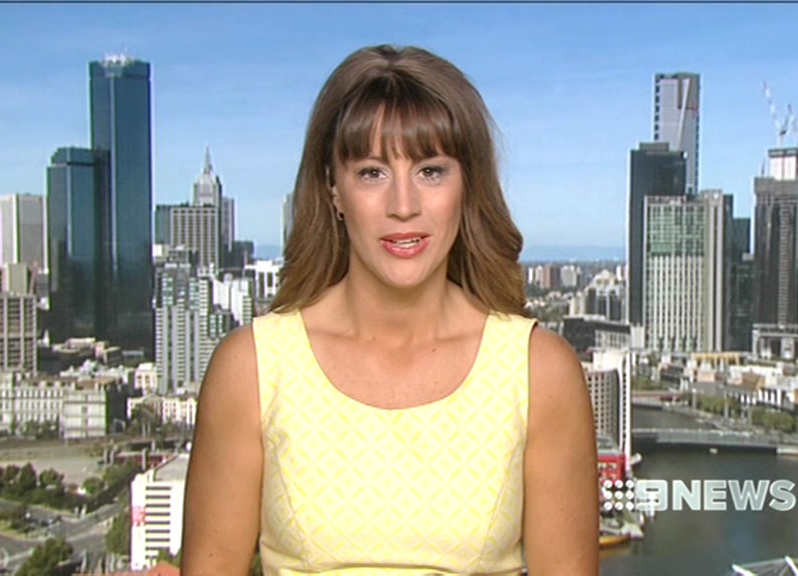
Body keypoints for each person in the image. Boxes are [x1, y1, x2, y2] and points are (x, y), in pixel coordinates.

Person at [182, 45, 599, 575]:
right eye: (372, 173)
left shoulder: (538, 371)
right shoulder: (253, 368)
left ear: (467, 184)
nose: (404, 205)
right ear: (333, 189)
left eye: (431, 171)